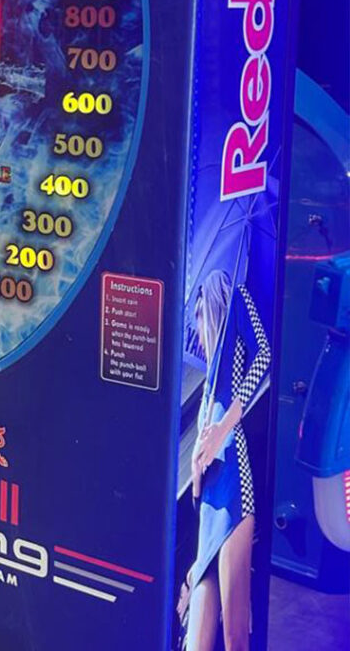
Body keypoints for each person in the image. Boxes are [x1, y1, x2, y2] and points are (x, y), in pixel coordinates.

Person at [178, 269, 271, 651]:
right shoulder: (208, 388)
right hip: (208, 504)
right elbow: (197, 488)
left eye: (199, 321)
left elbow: (264, 355)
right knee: (196, 643)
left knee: (234, 635)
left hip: (234, 488)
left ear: (209, 311)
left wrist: (223, 426)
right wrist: (196, 470)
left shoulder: (235, 296)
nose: (199, 337)